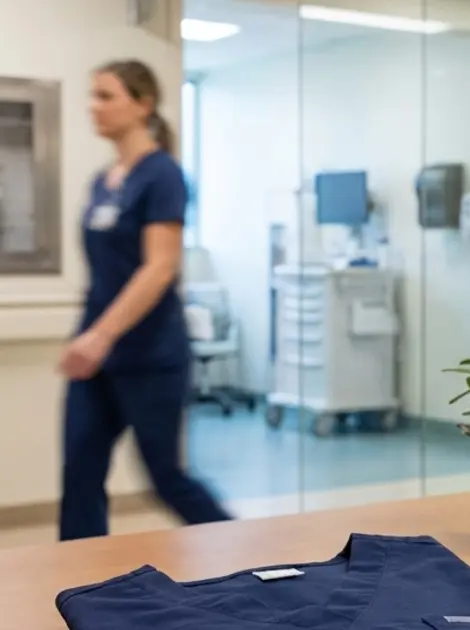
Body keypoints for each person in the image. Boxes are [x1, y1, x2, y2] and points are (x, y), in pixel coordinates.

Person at [58, 60, 232, 541]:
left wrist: (101, 335)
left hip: (149, 355)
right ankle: (79, 577)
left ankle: (248, 553)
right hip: (97, 357)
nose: (93, 106)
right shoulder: (103, 181)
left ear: (143, 104)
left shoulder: (162, 176)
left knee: (166, 479)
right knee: (80, 474)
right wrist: (90, 337)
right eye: (92, 95)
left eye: (106, 96)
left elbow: (159, 268)